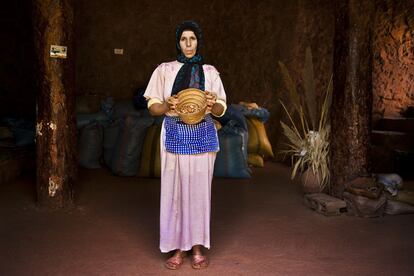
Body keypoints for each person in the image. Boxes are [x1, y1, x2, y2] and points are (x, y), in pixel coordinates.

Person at [143, 20, 227, 270]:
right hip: (175, 132)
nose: (188, 44)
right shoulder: (165, 70)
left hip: (203, 133)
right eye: (183, 39)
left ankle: (198, 246)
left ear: (198, 41)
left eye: (193, 39)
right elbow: (152, 107)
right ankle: (178, 248)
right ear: (178, 42)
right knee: (176, 192)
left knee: (199, 192)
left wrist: (213, 106)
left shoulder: (210, 72)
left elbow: (222, 108)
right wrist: (167, 106)